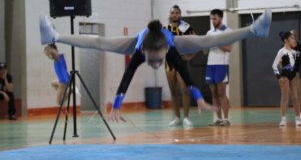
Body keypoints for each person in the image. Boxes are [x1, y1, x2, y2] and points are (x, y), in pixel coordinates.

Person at [39, 9, 272, 122]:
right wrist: (116, 105)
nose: (156, 64)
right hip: (139, 41)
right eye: (154, 61)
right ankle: (53, 35)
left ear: (166, 51)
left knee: (205, 40)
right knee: (102, 42)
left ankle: (254, 30)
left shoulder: (171, 51)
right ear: (144, 53)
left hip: (171, 41)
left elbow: (185, 72)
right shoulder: (140, 51)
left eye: (159, 60)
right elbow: (127, 76)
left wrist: (199, 98)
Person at [165, 5, 195, 127]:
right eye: (173, 12)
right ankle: (177, 117)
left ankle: (186, 117)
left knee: (185, 89)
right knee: (173, 91)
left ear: (180, 14)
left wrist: (189, 57)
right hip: (169, 63)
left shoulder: (186, 28)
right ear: (170, 14)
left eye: (177, 12)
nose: (175, 15)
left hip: (181, 62)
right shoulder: (164, 29)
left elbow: (196, 43)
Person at [205, 9, 232, 126]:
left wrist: (216, 43)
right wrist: (205, 45)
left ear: (220, 18)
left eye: (214, 18)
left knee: (222, 93)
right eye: (211, 18)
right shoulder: (209, 33)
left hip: (221, 64)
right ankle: (218, 119)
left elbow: (229, 48)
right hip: (210, 64)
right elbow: (205, 51)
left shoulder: (228, 31)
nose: (212, 20)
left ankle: (226, 119)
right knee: (214, 94)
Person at [272, 31, 301, 126]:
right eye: (292, 38)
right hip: (285, 75)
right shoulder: (281, 51)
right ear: (286, 40)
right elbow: (274, 65)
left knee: (296, 97)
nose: (294, 40)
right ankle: (283, 119)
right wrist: (278, 77)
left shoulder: (294, 52)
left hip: (293, 75)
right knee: (285, 97)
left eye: (294, 38)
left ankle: (298, 118)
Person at [291, 30, 301, 119]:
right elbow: (280, 61)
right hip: (290, 74)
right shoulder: (285, 48)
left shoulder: (299, 46)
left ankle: (299, 114)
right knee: (294, 96)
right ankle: (296, 115)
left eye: (294, 36)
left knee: (299, 94)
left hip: (298, 73)